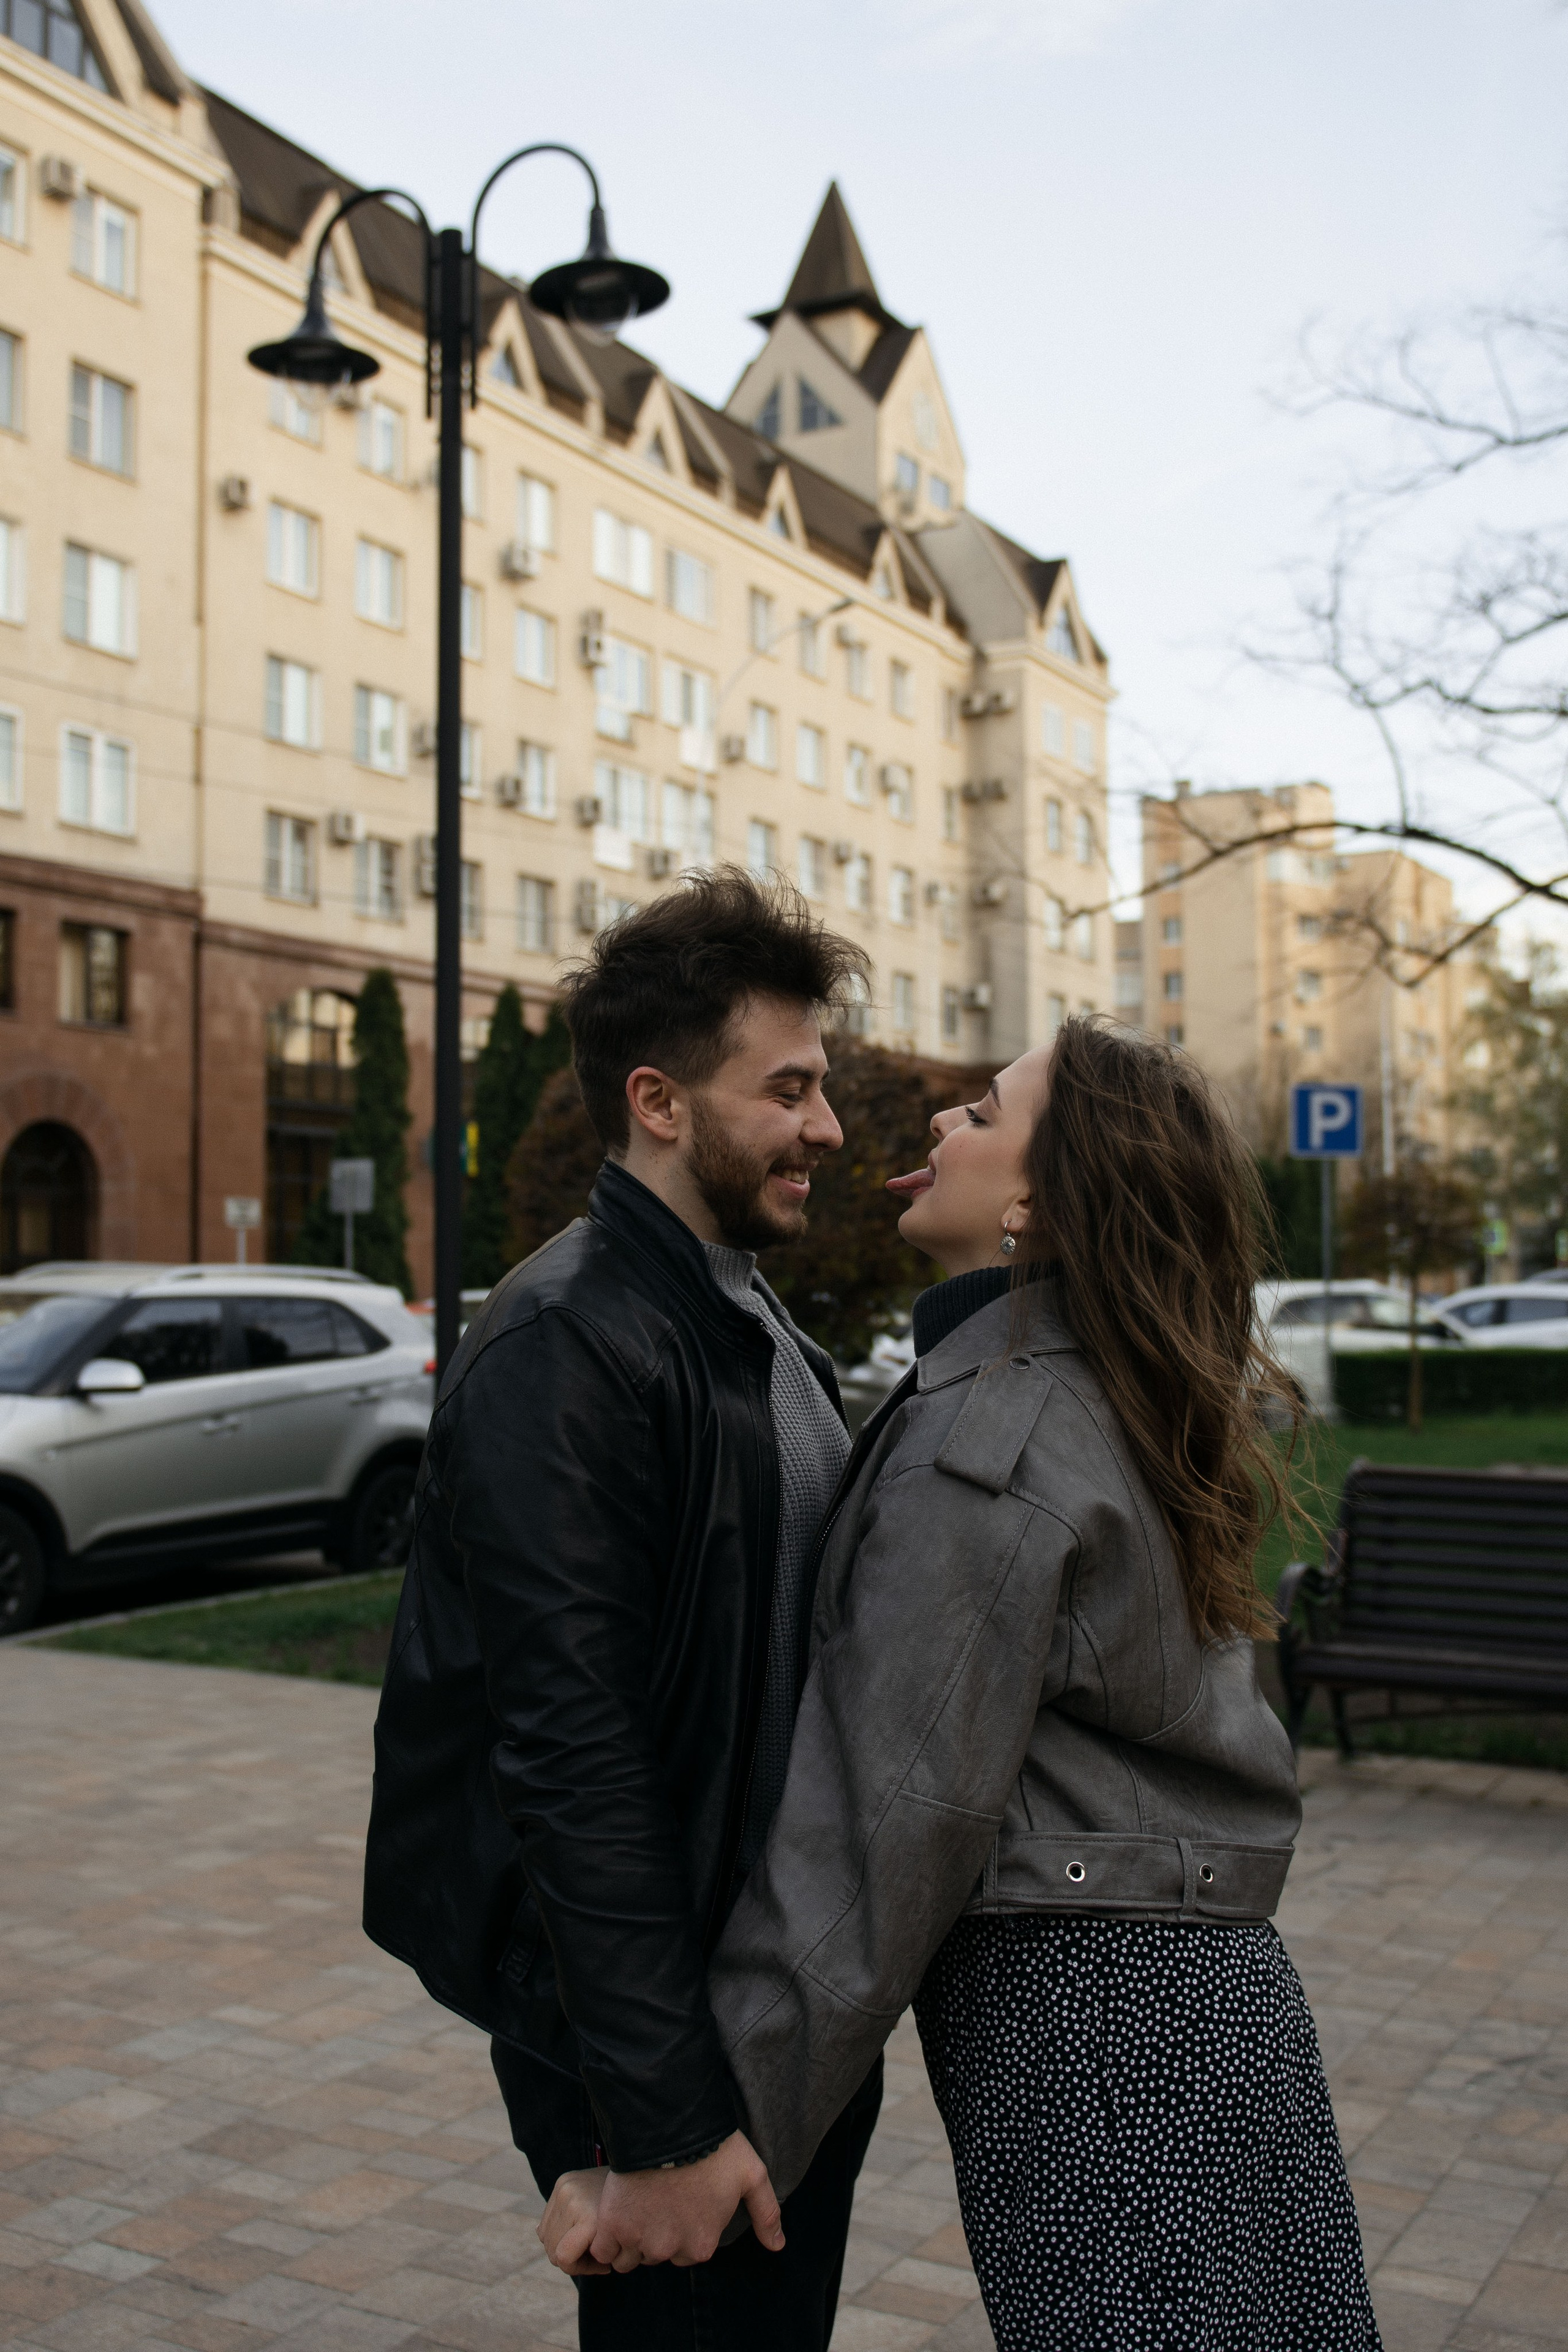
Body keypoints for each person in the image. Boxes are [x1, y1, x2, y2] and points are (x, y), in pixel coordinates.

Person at [544, 1017, 1382, 2351]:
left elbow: (881, 1828)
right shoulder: (1099, 1389)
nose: (941, 1121)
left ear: (1036, 1201)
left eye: (983, 1114)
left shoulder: (989, 1443)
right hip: (1214, 2017)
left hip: (1103, 2048)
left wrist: (690, 2146)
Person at [363, 870, 883, 2350]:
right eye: (786, 1090)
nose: (828, 1129)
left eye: (821, 1086)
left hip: (756, 2013)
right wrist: (660, 2123)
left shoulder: (738, 1310)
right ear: (658, 1101)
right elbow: (570, 1752)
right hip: (658, 2048)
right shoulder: (567, 1341)